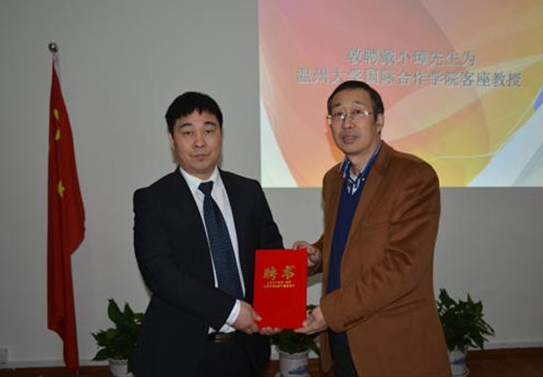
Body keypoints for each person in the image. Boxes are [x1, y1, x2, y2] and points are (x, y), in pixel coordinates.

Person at [293, 80, 451, 377]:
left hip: (392, 342)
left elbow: (404, 265)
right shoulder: (333, 179)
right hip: (342, 339)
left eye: (358, 112)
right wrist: (319, 255)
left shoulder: (413, 176)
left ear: (379, 120)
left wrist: (332, 311)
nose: (347, 122)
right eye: (338, 114)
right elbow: (349, 237)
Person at [132, 91, 284, 377]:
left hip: (246, 352)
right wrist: (232, 311)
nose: (199, 142)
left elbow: (271, 254)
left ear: (220, 135)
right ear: (172, 140)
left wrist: (275, 311)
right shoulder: (153, 199)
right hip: (180, 355)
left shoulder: (249, 192)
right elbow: (160, 273)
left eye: (209, 130)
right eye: (187, 132)